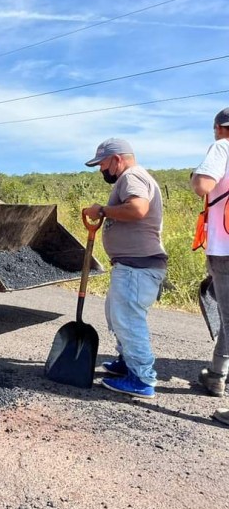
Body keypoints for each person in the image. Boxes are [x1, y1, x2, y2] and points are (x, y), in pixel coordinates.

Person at [83, 138, 167, 399]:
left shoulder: (131, 177)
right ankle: (126, 361)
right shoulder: (133, 177)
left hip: (137, 267)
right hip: (132, 266)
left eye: (103, 164)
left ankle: (142, 379)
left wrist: (103, 211)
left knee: (128, 321)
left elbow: (138, 208)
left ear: (117, 159)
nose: (100, 170)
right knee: (116, 314)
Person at [191, 107, 229, 424]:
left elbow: (203, 184)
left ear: (218, 128)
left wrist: (195, 176)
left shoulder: (222, 147)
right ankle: (217, 374)